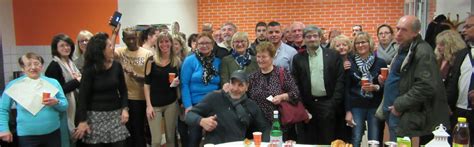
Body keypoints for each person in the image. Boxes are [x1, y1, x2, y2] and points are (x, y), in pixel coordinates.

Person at [379, 15, 450, 145]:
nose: (398, 33)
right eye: (398, 29)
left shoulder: (422, 51)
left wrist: (399, 105)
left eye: (404, 30)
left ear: (415, 32)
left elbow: (426, 86)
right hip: (394, 109)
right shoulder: (404, 48)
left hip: (403, 110)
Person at [74, 31, 130, 147]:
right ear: (101, 50)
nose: (112, 48)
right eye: (109, 46)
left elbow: (123, 90)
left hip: (115, 116)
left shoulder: (116, 66)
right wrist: (82, 121)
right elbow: (83, 97)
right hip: (95, 118)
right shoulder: (90, 70)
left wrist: (125, 109)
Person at [0, 52, 68, 147]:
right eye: (28, 64)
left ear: (41, 66)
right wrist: (3, 129)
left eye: (36, 64)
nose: (33, 67)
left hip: (53, 133)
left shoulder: (53, 82)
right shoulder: (13, 85)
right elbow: (3, 109)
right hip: (27, 136)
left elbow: (64, 106)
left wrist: (56, 102)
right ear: (22, 68)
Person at [291, 25, 345, 144]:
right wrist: (302, 106)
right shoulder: (298, 58)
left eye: (315, 36)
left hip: (328, 104)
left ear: (320, 38)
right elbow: (295, 84)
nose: (312, 39)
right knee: (307, 142)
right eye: (308, 36)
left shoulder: (333, 55)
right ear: (304, 39)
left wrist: (332, 104)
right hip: (307, 106)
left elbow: (340, 82)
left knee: (327, 141)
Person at [186, 70, 269, 144]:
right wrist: (201, 121)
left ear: (247, 87)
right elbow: (189, 115)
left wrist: (261, 143)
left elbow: (266, 128)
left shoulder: (251, 105)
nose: (235, 88)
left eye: (240, 85)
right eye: (233, 83)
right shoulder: (214, 97)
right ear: (229, 83)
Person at [247, 42, 301, 141]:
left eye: (264, 57)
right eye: (258, 56)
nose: (260, 60)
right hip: (259, 124)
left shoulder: (282, 73)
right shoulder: (252, 77)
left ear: (272, 57)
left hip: (280, 124)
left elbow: (296, 93)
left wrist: (282, 97)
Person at [345, 32, 387, 147]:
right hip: (356, 105)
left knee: (374, 138)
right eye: (357, 43)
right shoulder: (349, 62)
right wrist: (348, 110)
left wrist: (376, 87)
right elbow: (347, 89)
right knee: (356, 137)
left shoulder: (380, 62)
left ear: (370, 43)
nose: (360, 45)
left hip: (374, 104)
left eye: (363, 42)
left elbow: (385, 87)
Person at [115, 27, 154, 147]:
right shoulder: (121, 52)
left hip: (140, 97)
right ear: (123, 39)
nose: (131, 41)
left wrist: (135, 75)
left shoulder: (147, 54)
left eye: (133, 38)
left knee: (138, 131)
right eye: (128, 39)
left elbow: (150, 79)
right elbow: (109, 51)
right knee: (126, 131)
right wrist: (114, 33)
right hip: (124, 98)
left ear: (137, 38)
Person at [180, 32, 221, 146]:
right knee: (194, 137)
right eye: (201, 43)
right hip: (196, 104)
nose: (204, 45)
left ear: (212, 45)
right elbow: (184, 84)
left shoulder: (217, 61)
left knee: (214, 137)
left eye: (207, 43)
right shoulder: (190, 60)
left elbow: (220, 84)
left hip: (214, 103)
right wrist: (188, 106)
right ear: (196, 45)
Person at [45, 34, 81, 147]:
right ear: (56, 48)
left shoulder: (71, 63)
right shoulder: (54, 66)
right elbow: (58, 92)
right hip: (63, 109)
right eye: (62, 45)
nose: (66, 48)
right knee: (66, 139)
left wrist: (78, 79)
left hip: (75, 104)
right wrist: (77, 81)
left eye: (68, 45)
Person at [144, 32, 180, 147]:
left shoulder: (177, 61)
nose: (164, 44)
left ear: (171, 43)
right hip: (154, 105)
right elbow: (146, 84)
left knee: (170, 138)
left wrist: (177, 82)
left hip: (171, 103)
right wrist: (148, 106)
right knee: (156, 140)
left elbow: (180, 81)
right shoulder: (151, 60)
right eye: (161, 42)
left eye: (167, 41)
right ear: (157, 44)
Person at [446, 14, 474, 143]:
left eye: (468, 26)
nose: (463, 30)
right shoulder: (462, 54)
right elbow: (453, 82)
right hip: (460, 111)